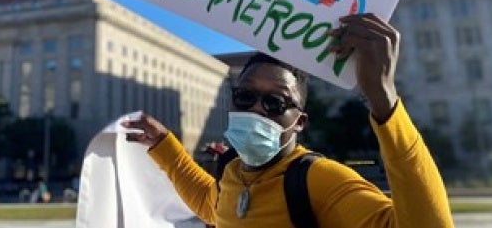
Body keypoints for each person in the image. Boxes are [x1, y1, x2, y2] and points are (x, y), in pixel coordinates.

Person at [122, 13, 452, 227]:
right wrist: (164, 145)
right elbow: (211, 205)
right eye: (245, 96)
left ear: (300, 122)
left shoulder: (320, 180)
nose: (256, 109)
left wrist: (384, 99)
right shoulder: (233, 176)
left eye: (275, 102)